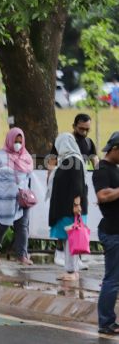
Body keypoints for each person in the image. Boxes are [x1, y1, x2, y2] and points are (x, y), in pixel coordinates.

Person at [48, 113, 97, 268]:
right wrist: (50, 179)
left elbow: (95, 161)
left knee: (76, 223)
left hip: (79, 187)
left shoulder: (88, 143)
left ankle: (76, 259)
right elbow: (52, 160)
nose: (84, 132)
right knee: (64, 220)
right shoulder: (65, 140)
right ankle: (61, 253)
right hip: (65, 187)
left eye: (87, 129)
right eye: (81, 128)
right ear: (74, 126)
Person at [0, 128, 34, 266]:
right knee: (2, 225)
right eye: (15, 141)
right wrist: (1, 184)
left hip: (22, 198)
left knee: (23, 226)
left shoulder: (26, 157)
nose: (17, 144)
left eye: (20, 141)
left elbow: (28, 176)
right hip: (4, 198)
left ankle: (22, 256)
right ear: (9, 140)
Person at [49, 133, 88, 281]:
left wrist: (76, 204)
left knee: (71, 238)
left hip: (71, 207)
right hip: (66, 206)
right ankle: (71, 270)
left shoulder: (74, 160)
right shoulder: (67, 160)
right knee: (68, 238)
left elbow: (77, 185)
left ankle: (72, 272)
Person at [93, 132, 119, 335]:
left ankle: (109, 320)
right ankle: (106, 321)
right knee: (112, 278)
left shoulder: (115, 169)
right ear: (115, 148)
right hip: (112, 232)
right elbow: (102, 196)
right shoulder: (102, 170)